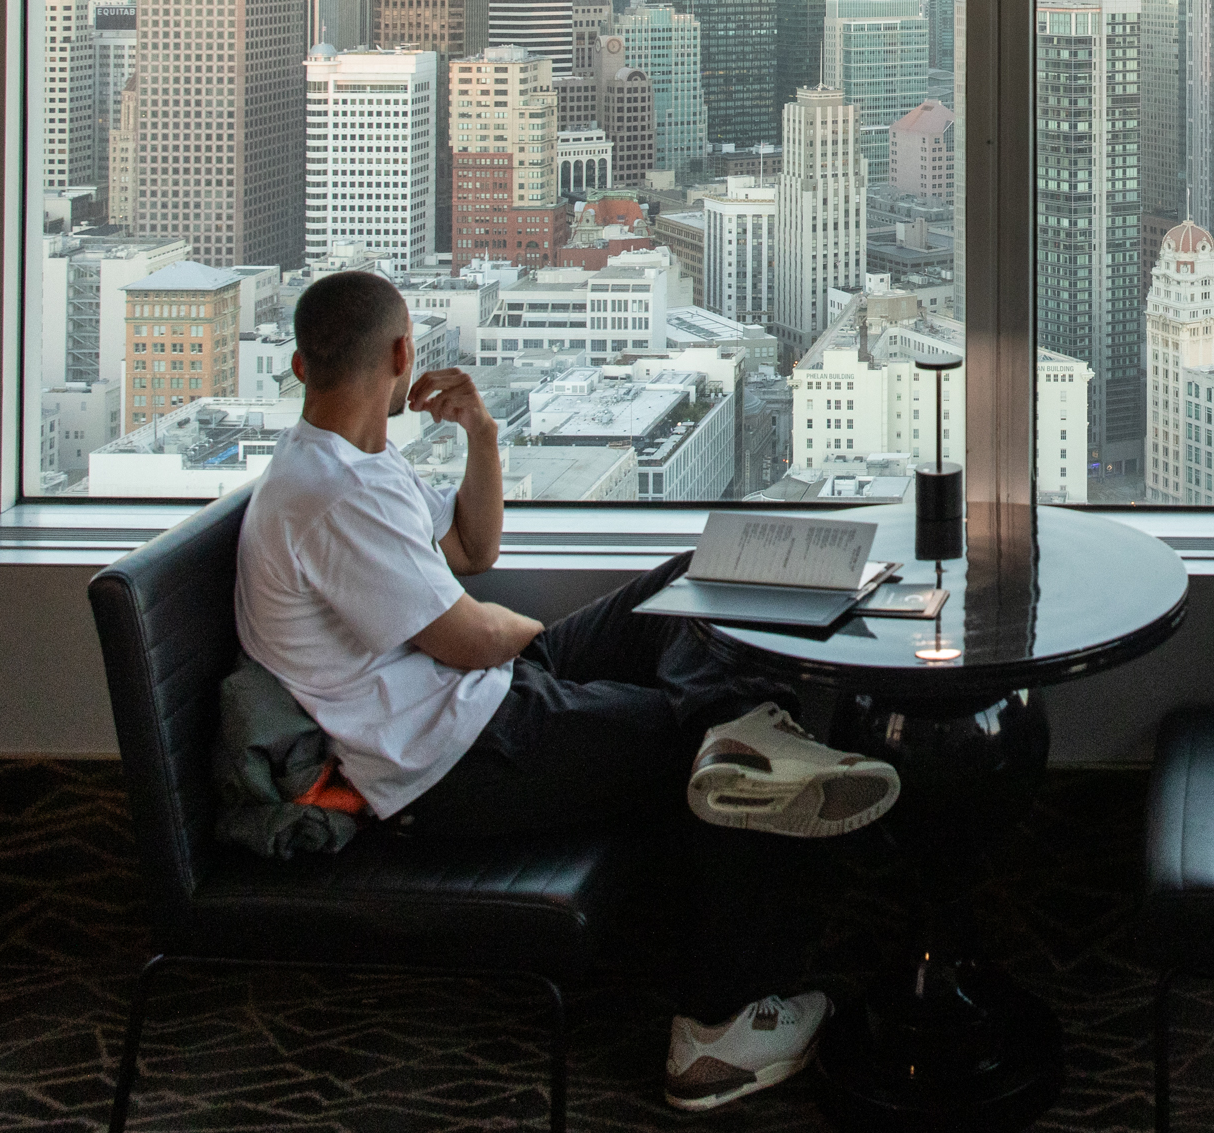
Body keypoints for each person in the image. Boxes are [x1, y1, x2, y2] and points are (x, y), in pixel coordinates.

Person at [235, 267, 898, 1113]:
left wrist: (480, 430)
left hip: (479, 701)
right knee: (722, 769)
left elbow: (473, 551)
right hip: (453, 761)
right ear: (405, 353)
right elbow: (471, 636)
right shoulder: (328, 498)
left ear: (299, 365)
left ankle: (736, 733)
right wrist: (520, 635)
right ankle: (719, 1034)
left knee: (684, 586)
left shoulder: (350, 462)